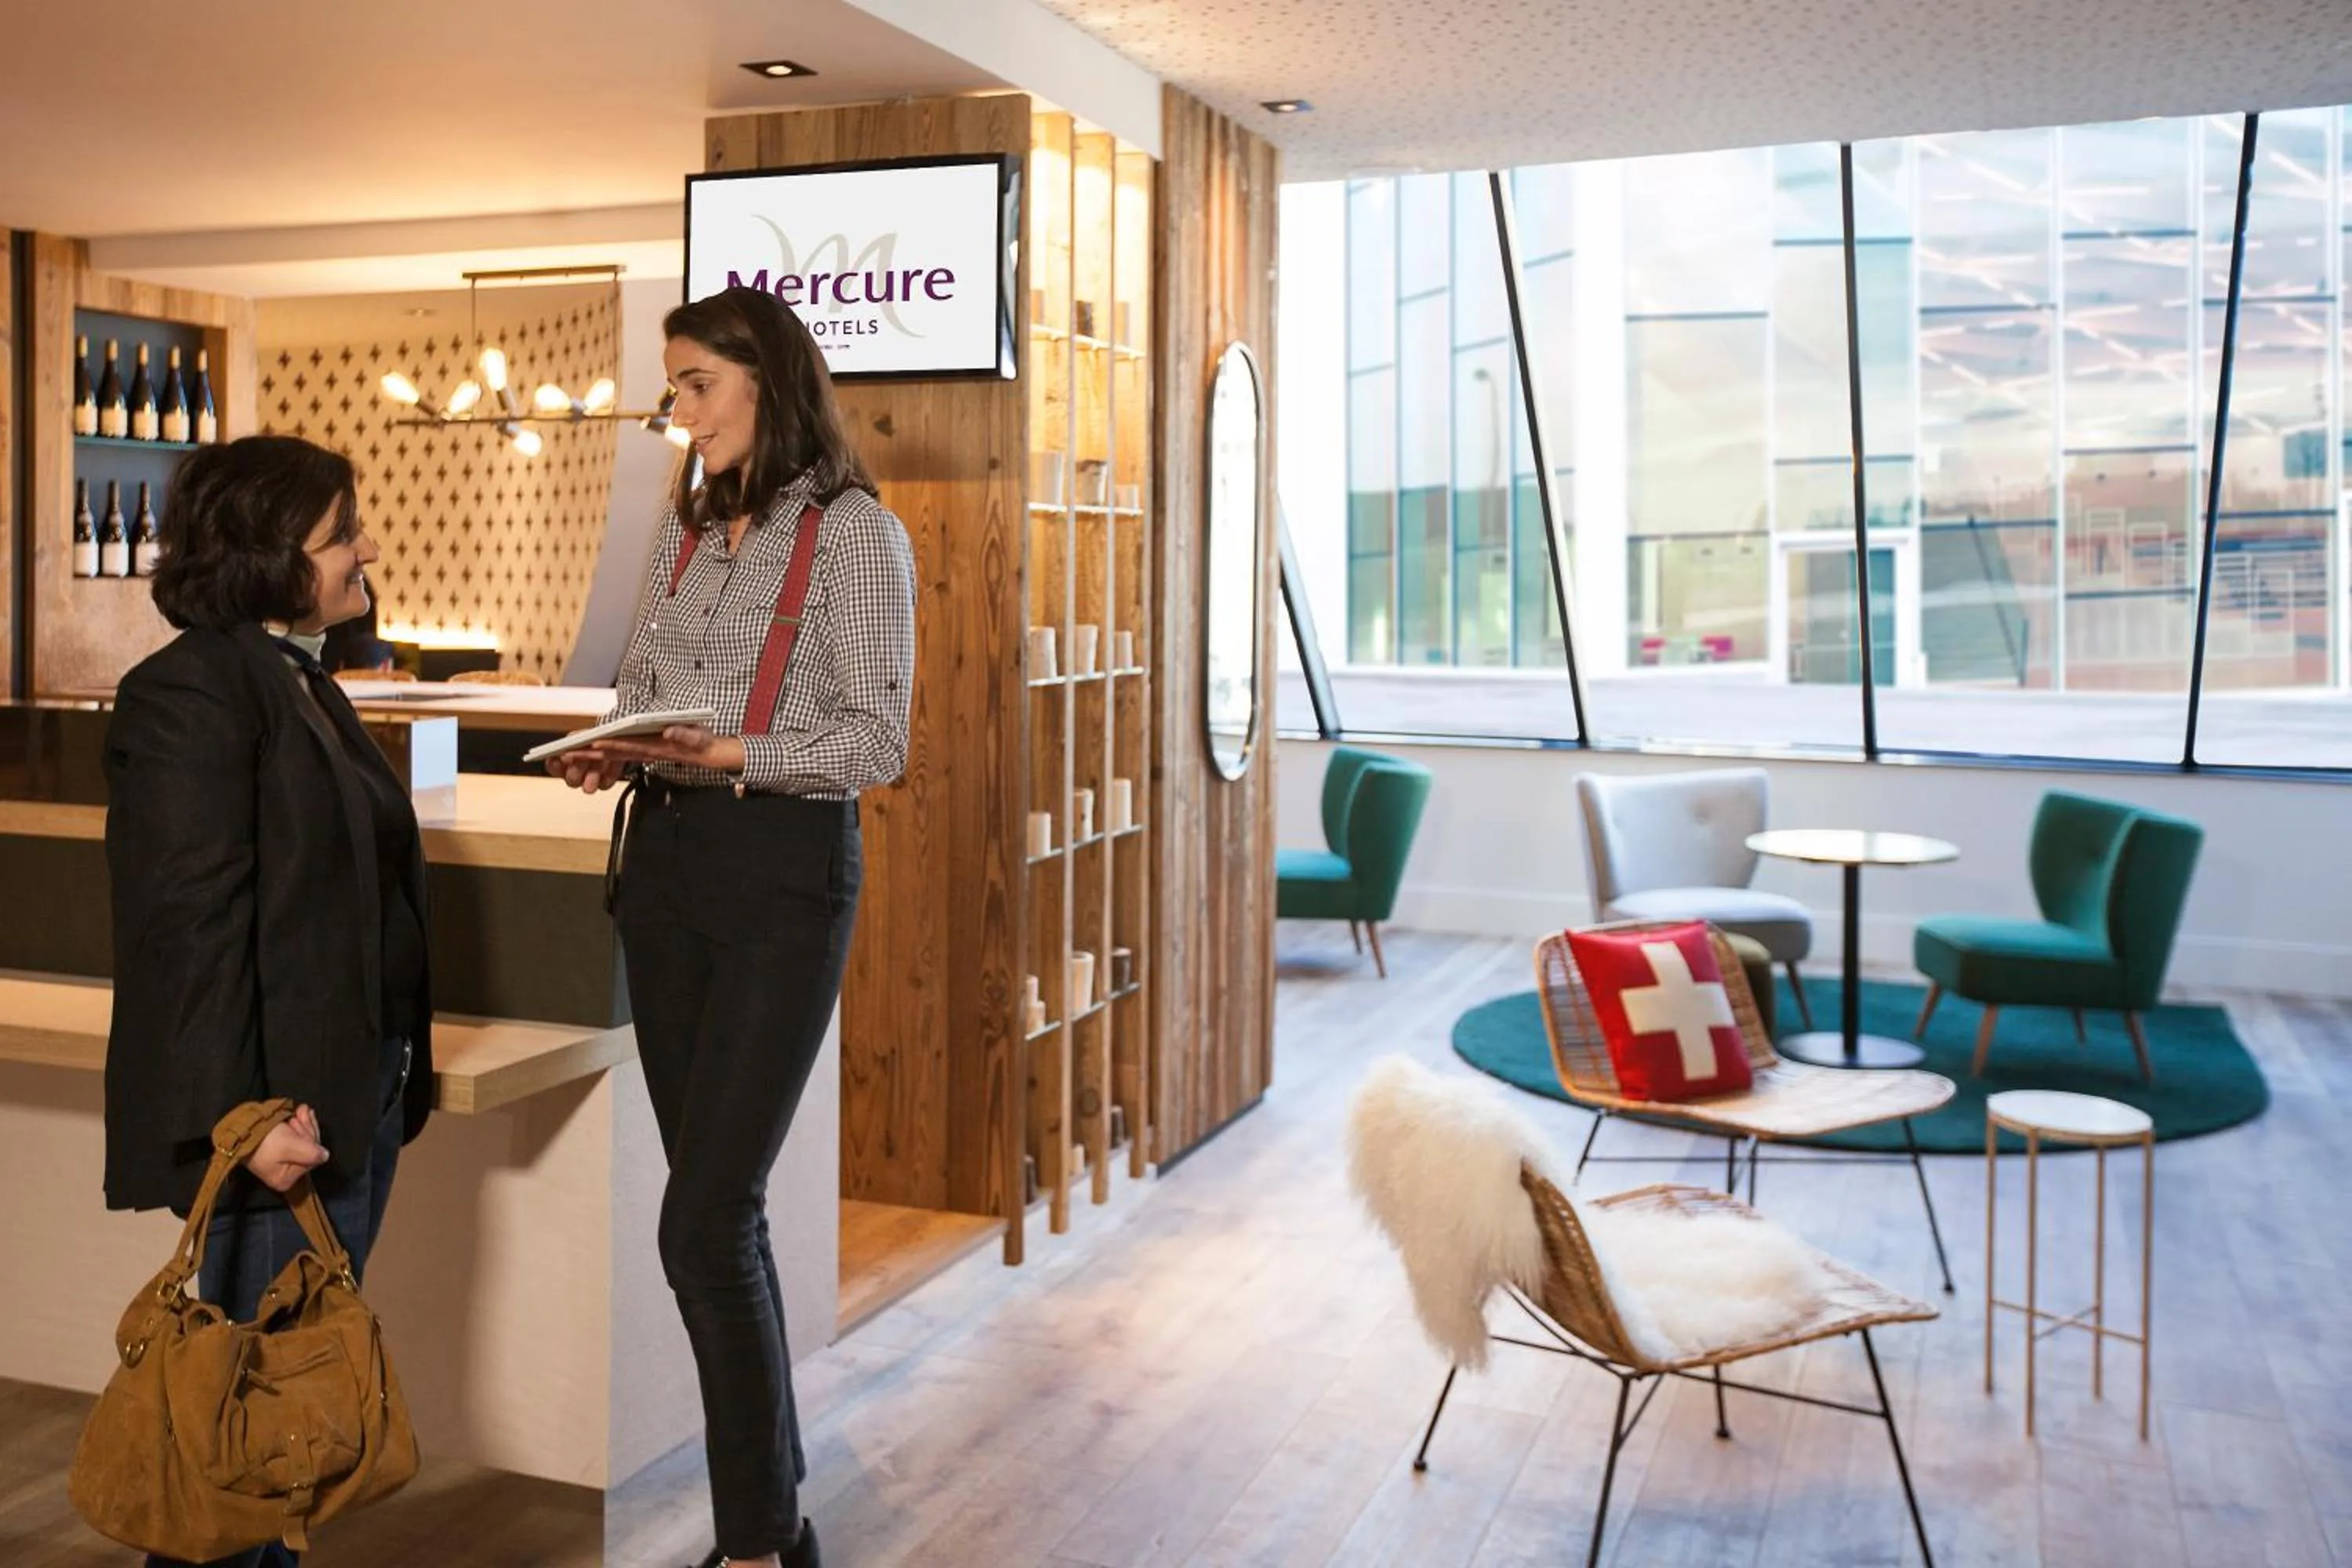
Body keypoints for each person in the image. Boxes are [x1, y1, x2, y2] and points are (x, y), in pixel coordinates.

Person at [550, 286, 914, 1568]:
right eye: (675, 386)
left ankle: (760, 1543)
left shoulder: (860, 536)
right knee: (726, 1213)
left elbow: (875, 741)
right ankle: (775, 1498)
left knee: (701, 1222)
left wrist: (736, 745)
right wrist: (620, 748)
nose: (682, 410)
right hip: (667, 866)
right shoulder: (686, 533)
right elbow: (647, 689)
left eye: (699, 382)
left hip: (782, 871)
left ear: (768, 380)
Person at [101, 434, 434, 1568]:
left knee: (283, 1434)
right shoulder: (189, 693)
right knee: (234, 1460)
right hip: (276, 1124)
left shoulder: (295, 673)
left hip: (345, 1097)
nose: (366, 548)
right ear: (264, 555)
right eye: (342, 533)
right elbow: (185, 937)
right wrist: (242, 1125)